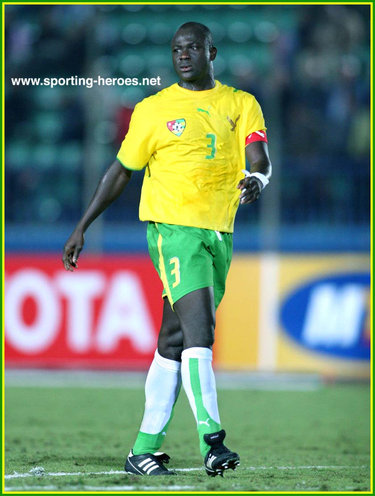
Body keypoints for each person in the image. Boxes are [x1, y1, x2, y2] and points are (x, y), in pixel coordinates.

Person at [63, 21, 272, 477]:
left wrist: (256, 179)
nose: (183, 54)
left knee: (173, 341)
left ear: (211, 52)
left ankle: (143, 450)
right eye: (177, 48)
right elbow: (121, 171)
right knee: (201, 334)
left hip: (219, 232)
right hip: (174, 231)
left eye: (192, 47)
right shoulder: (154, 110)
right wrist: (83, 225)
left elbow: (259, 156)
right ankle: (212, 442)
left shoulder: (240, 104)